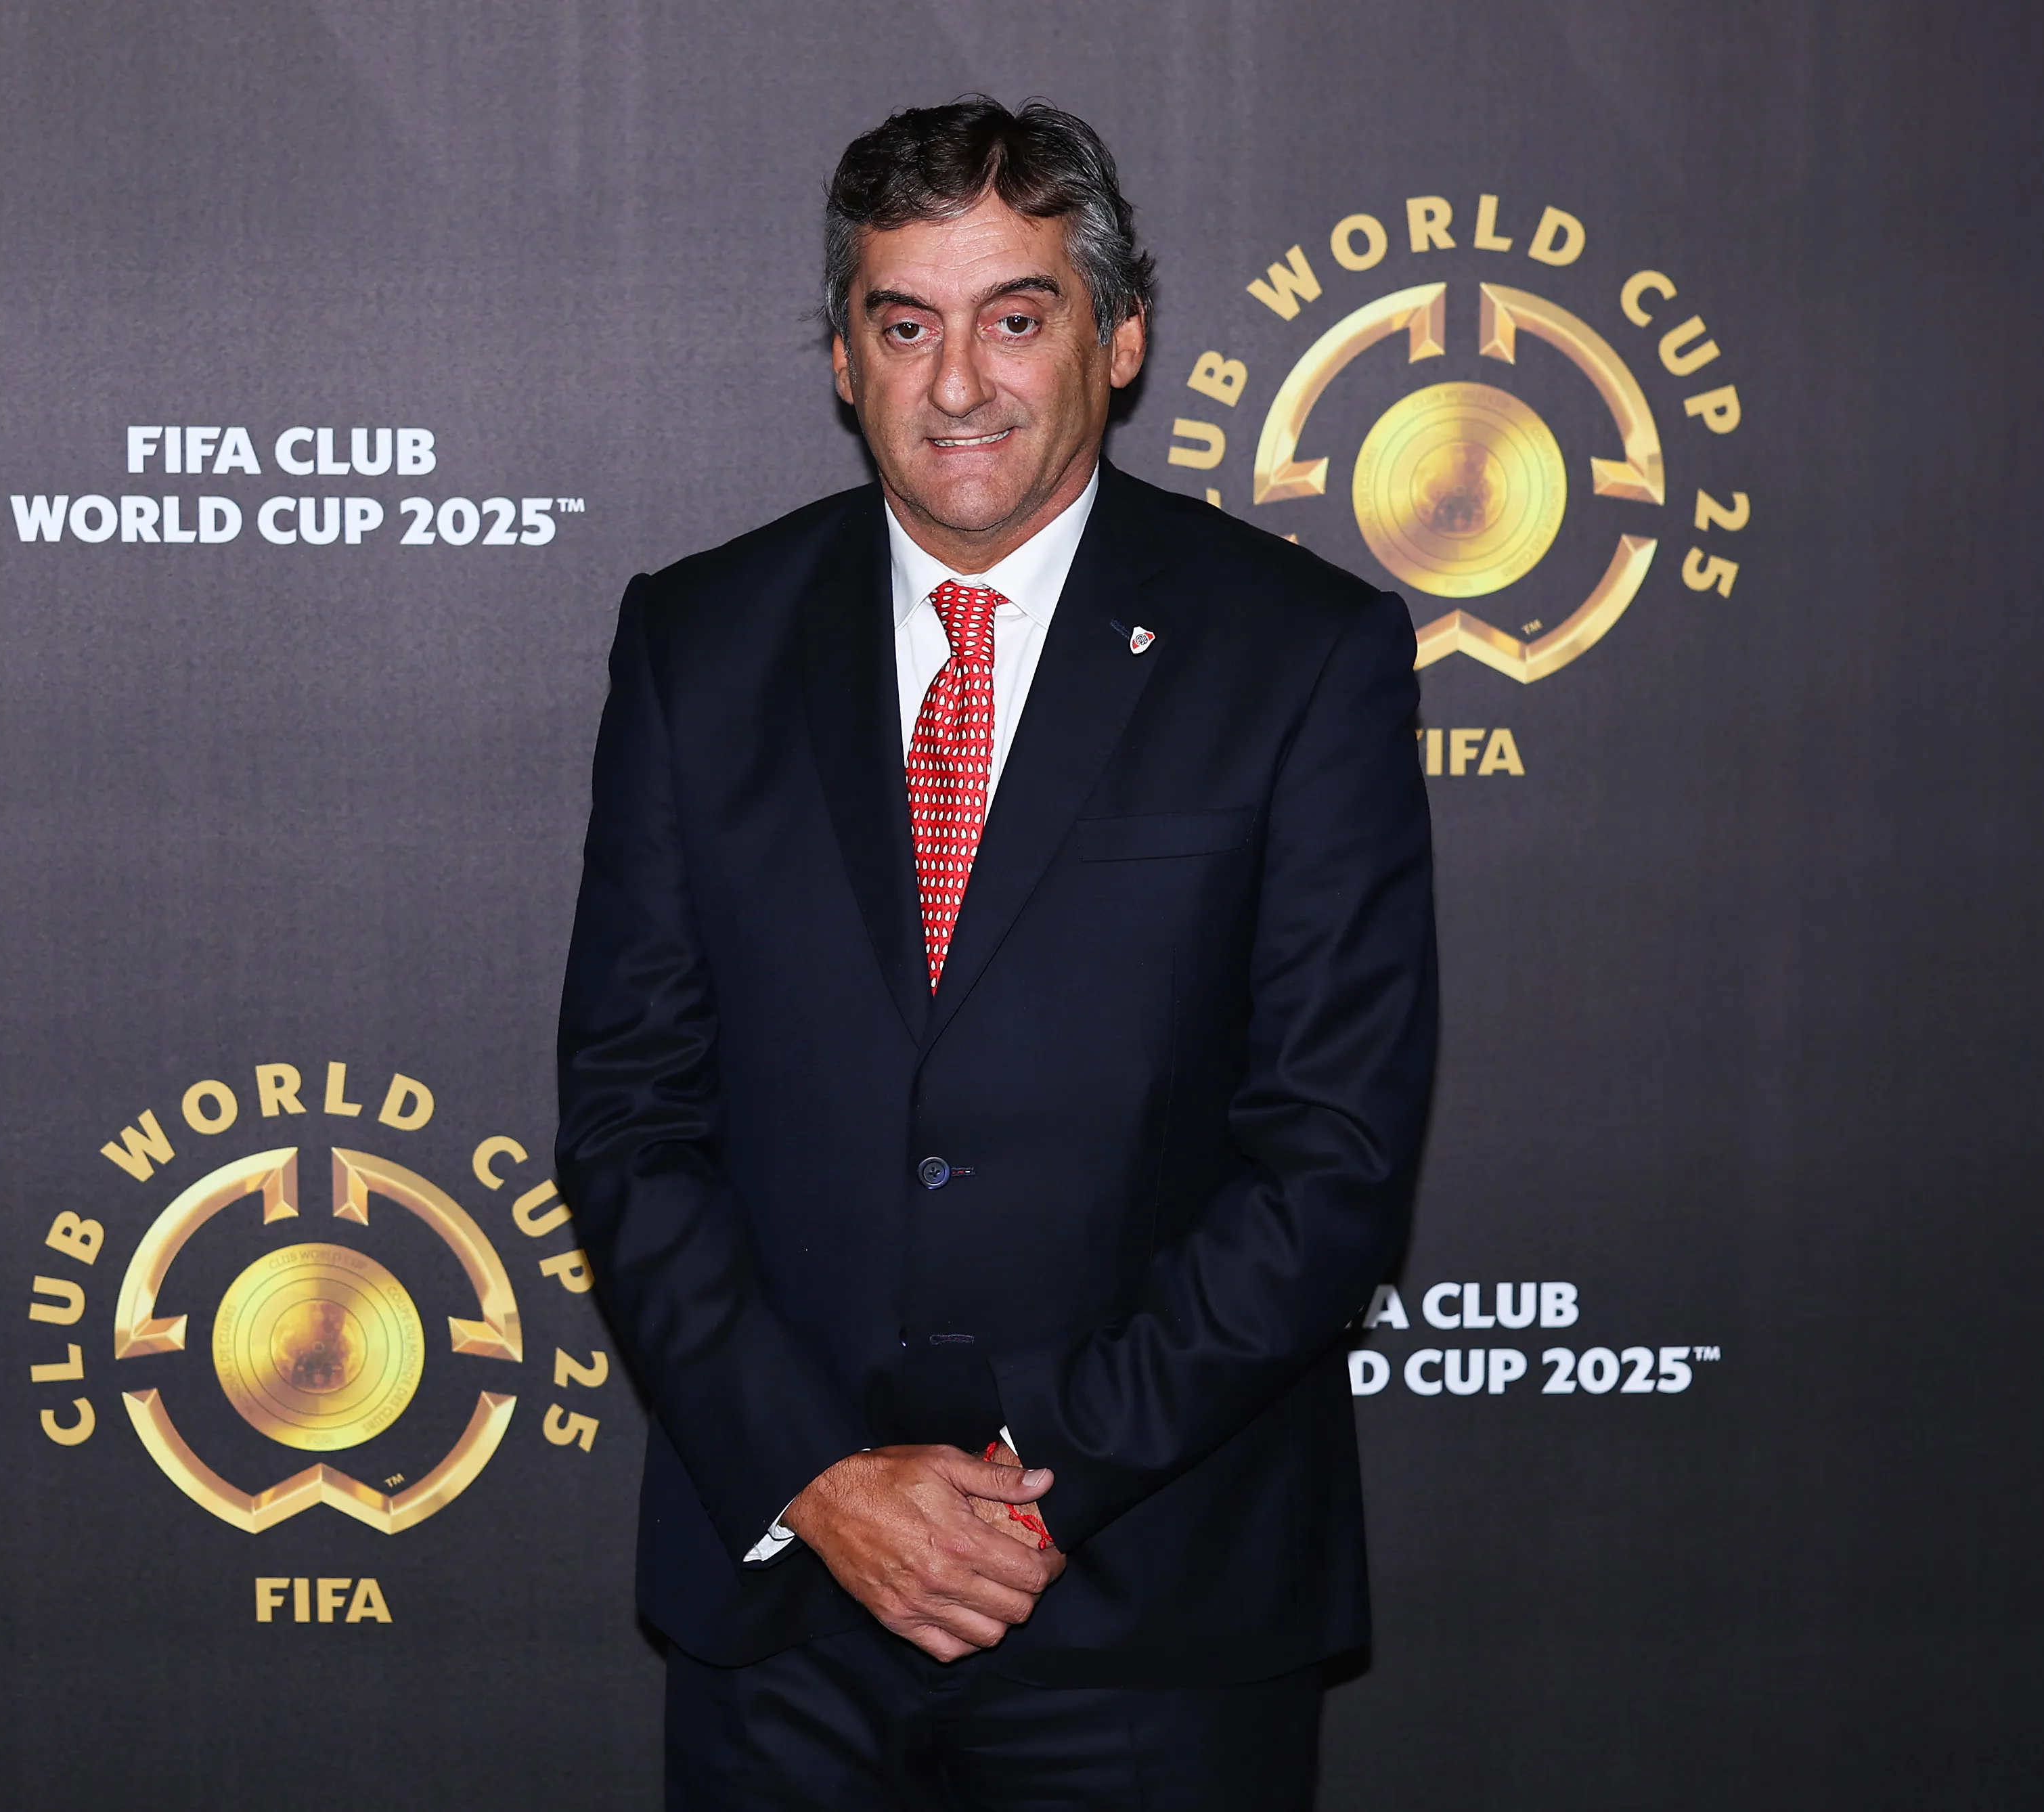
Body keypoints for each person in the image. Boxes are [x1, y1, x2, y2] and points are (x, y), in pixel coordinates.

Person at [556, 97, 1437, 1810]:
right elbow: (628, 1115)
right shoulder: (695, 642)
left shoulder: (1299, 655)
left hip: (1152, 1607)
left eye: (1014, 318)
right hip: (788, 1610)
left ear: (1120, 339)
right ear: (842, 358)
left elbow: (1328, 1151)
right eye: (904, 325)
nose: (956, 382)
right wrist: (823, 1478)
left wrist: (1027, 1490)